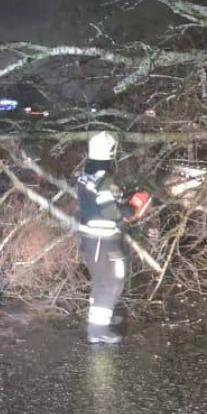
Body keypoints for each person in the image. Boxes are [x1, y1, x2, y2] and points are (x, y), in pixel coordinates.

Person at [76, 131, 133, 345]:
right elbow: (111, 212)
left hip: (94, 241)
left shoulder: (87, 176)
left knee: (103, 282)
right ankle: (98, 330)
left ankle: (102, 316)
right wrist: (130, 210)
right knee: (111, 282)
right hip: (103, 240)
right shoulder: (104, 181)